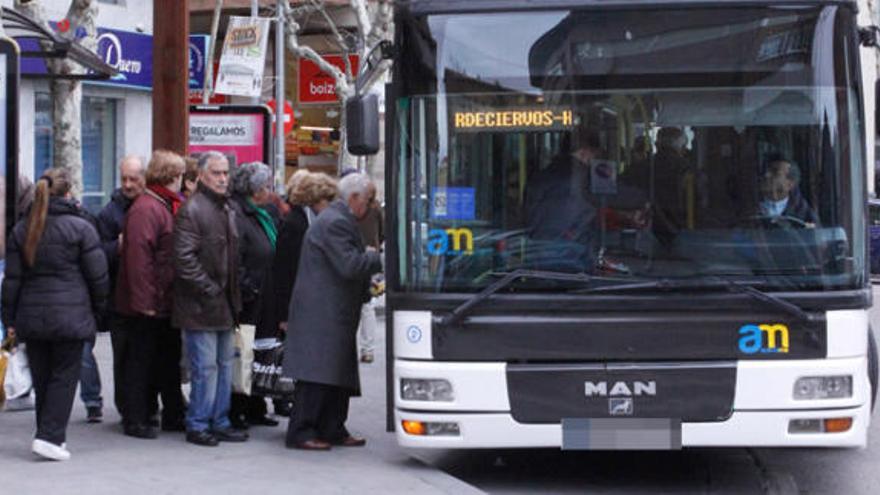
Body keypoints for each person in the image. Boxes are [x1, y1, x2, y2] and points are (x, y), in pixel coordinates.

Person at [1, 167, 109, 461]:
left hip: (32, 316)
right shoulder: (81, 228)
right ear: (68, 192)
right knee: (64, 376)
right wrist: (99, 312)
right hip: (71, 314)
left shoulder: (23, 229)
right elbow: (97, 277)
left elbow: (12, 281)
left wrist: (9, 320)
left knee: (43, 375)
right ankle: (50, 437)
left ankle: (44, 433)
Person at [284, 172, 382, 451]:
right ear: (353, 198)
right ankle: (303, 431)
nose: (372, 206)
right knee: (318, 374)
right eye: (369, 199)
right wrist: (376, 257)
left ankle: (332, 428)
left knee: (335, 374)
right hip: (323, 311)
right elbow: (349, 265)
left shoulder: (338, 218)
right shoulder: (336, 222)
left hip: (331, 310)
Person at [173, 151, 247, 447]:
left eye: (225, 173)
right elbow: (183, 259)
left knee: (224, 365)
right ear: (201, 175)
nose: (222, 178)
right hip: (201, 304)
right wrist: (210, 289)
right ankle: (199, 422)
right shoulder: (193, 209)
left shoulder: (226, 207)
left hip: (224, 303)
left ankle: (219, 420)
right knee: (205, 368)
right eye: (216, 173)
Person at [115, 151, 187, 439]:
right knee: (141, 362)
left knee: (165, 360)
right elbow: (138, 259)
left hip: (161, 300)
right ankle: (136, 418)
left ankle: (170, 413)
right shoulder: (149, 208)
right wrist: (145, 303)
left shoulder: (161, 204)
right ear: (172, 176)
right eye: (180, 176)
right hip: (147, 304)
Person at [94, 155, 146, 423]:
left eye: (133, 179)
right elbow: (98, 254)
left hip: (145, 296)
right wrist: (118, 245)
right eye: (124, 178)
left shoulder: (149, 206)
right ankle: (127, 408)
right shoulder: (109, 213)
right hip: (120, 297)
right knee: (123, 356)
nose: (128, 184)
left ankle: (144, 406)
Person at [228, 162, 280, 429]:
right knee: (243, 356)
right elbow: (236, 260)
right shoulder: (239, 214)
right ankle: (238, 410)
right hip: (249, 300)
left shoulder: (261, 214)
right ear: (255, 190)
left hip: (264, 298)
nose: (270, 191)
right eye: (266, 187)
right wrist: (249, 288)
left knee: (258, 356)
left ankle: (256, 406)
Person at [524, 126, 603, 272]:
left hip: (536, 253)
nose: (592, 161)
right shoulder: (584, 177)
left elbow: (528, 215)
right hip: (571, 254)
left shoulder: (541, 176)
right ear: (585, 152)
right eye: (593, 156)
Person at [757, 159, 818, 226]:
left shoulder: (805, 213)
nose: (766, 175)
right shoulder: (749, 207)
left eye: (775, 172)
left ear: (790, 184)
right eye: (765, 171)